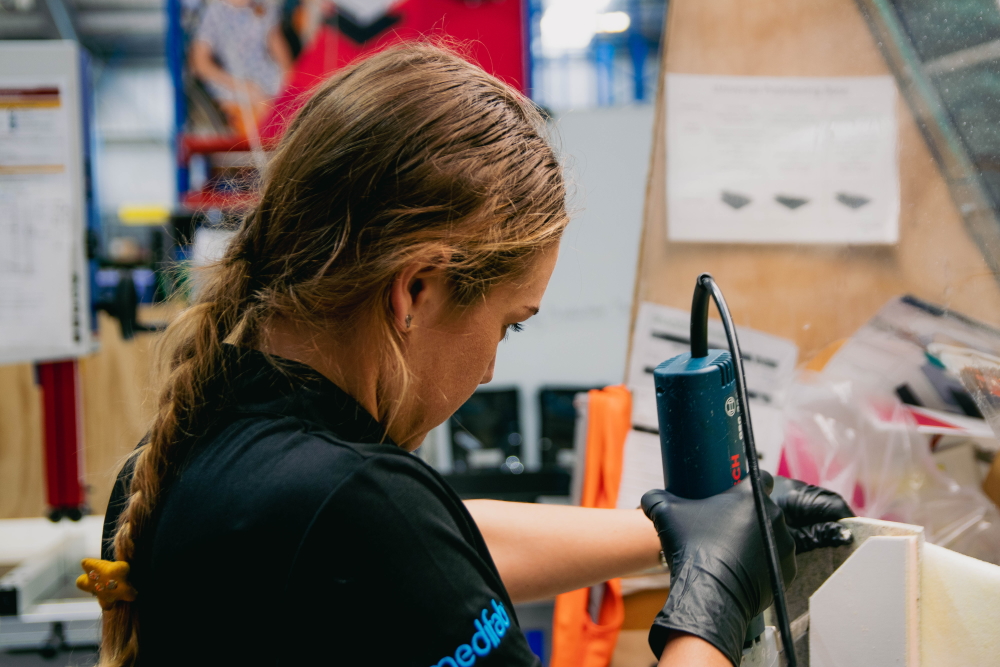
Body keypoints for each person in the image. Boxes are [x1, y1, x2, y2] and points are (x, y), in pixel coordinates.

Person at [90, 44, 853, 667]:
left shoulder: (200, 451)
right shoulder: (352, 501)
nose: (490, 367)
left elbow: (433, 551)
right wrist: (713, 601)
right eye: (509, 324)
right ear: (416, 289)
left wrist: (685, 525)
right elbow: (400, 544)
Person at [190, 0, 293, 135]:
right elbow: (200, 63)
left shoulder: (263, 7)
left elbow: (277, 45)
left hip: (266, 75)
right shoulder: (215, 13)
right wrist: (241, 86)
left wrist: (289, 80)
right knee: (262, 111)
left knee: (289, 102)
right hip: (232, 79)